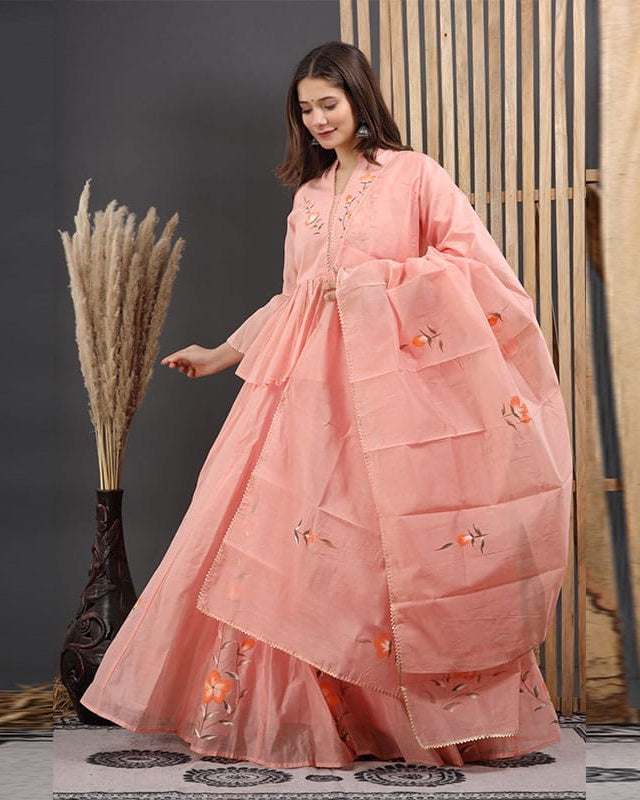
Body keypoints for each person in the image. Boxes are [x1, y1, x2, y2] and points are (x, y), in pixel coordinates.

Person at [80, 41, 573, 768]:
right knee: (293, 545)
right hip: (306, 399)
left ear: (358, 100)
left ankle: (398, 722)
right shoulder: (306, 201)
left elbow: (476, 268)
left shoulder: (415, 177)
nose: (316, 119)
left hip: (394, 398)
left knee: (385, 550)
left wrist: (379, 283)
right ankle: (299, 717)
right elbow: (296, 299)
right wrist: (221, 353)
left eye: (328, 105)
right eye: (305, 109)